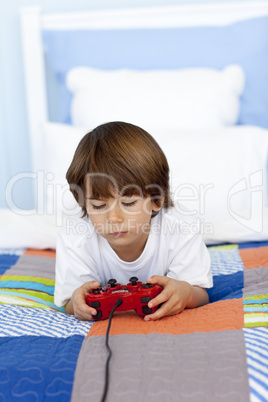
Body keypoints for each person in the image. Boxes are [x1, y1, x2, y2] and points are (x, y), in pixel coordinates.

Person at [54, 121, 212, 321]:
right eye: (99, 206)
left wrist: (186, 293)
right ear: (84, 204)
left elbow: (200, 292)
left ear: (156, 199)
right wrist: (77, 302)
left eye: (128, 203)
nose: (113, 218)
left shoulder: (181, 228)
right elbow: (71, 303)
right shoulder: (75, 237)